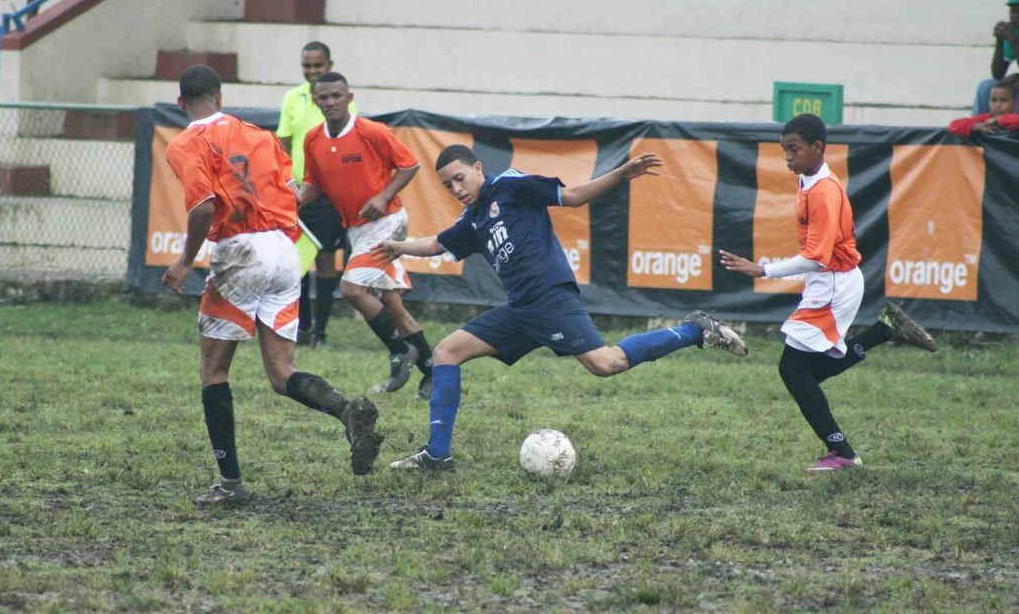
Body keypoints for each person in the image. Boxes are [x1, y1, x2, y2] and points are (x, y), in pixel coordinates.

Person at [372, 144, 748, 472]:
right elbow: (438, 244)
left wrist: (620, 173)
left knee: (606, 364)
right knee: (446, 353)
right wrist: (398, 247)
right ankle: (436, 456)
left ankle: (696, 330)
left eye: (459, 179)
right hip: (520, 309)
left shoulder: (510, 186)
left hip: (551, 298)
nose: (456, 189)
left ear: (477, 169)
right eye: (447, 185)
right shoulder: (473, 220)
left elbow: (574, 197)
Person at [161, 64, 383, 506]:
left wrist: (186, 261)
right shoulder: (260, 136)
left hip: (240, 252)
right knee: (282, 373)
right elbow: (290, 190)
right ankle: (345, 411)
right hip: (284, 251)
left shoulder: (186, 143)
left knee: (214, 370)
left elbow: (203, 207)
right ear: (221, 98)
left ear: (182, 103)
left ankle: (229, 483)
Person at [719, 114, 937, 473]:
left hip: (834, 282)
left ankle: (844, 454)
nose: (788, 157)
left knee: (793, 369)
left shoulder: (822, 190)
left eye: (794, 149)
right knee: (806, 373)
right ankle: (881, 332)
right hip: (830, 281)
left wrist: (763, 269)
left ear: (817, 147)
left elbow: (817, 256)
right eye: (784, 150)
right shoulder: (810, 179)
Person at [299, 71, 434, 399]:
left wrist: (383, 195)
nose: (330, 102)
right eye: (323, 97)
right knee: (392, 303)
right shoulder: (313, 139)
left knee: (352, 288)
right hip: (358, 229)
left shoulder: (371, 131)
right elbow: (313, 184)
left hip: (388, 222)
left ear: (349, 97)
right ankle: (433, 372)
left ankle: (399, 351)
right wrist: (290, 198)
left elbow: (410, 164)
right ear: (315, 100)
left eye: (336, 96)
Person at [276, 41, 356, 349]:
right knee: (297, 262)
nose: (312, 71)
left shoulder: (340, 98)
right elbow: (282, 143)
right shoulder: (292, 98)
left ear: (330, 65)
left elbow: (350, 141)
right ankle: (303, 327)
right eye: (307, 66)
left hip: (330, 194)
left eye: (318, 66)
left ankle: (321, 332)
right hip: (298, 192)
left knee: (325, 260)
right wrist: (287, 182)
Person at [971, 0, 1019, 116]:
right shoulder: (1014, 33)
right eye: (1012, 10)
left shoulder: (1014, 37)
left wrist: (1014, 41)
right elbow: (997, 74)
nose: (1015, 15)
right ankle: (980, 130)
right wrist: (1000, 41)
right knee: (988, 85)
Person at [949, 82, 1019, 136]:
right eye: (994, 100)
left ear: (1015, 103)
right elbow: (953, 126)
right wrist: (976, 126)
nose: (998, 105)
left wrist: (997, 120)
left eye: (1004, 100)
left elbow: (1016, 121)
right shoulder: (985, 118)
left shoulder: (1014, 117)